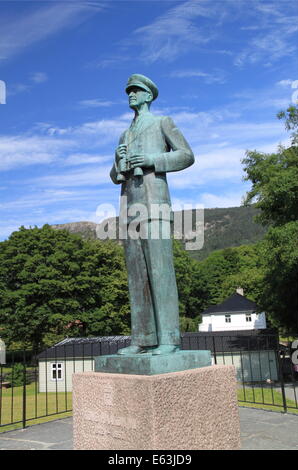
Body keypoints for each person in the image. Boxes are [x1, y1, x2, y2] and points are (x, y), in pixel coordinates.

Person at [110, 74, 194, 355]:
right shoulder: (125, 133)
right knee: (137, 276)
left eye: (136, 91)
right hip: (129, 208)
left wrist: (152, 160)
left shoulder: (162, 122)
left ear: (148, 95)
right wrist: (118, 161)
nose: (131, 95)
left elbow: (186, 155)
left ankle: (169, 339)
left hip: (155, 204)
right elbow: (114, 176)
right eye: (129, 91)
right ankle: (142, 339)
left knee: (160, 273)